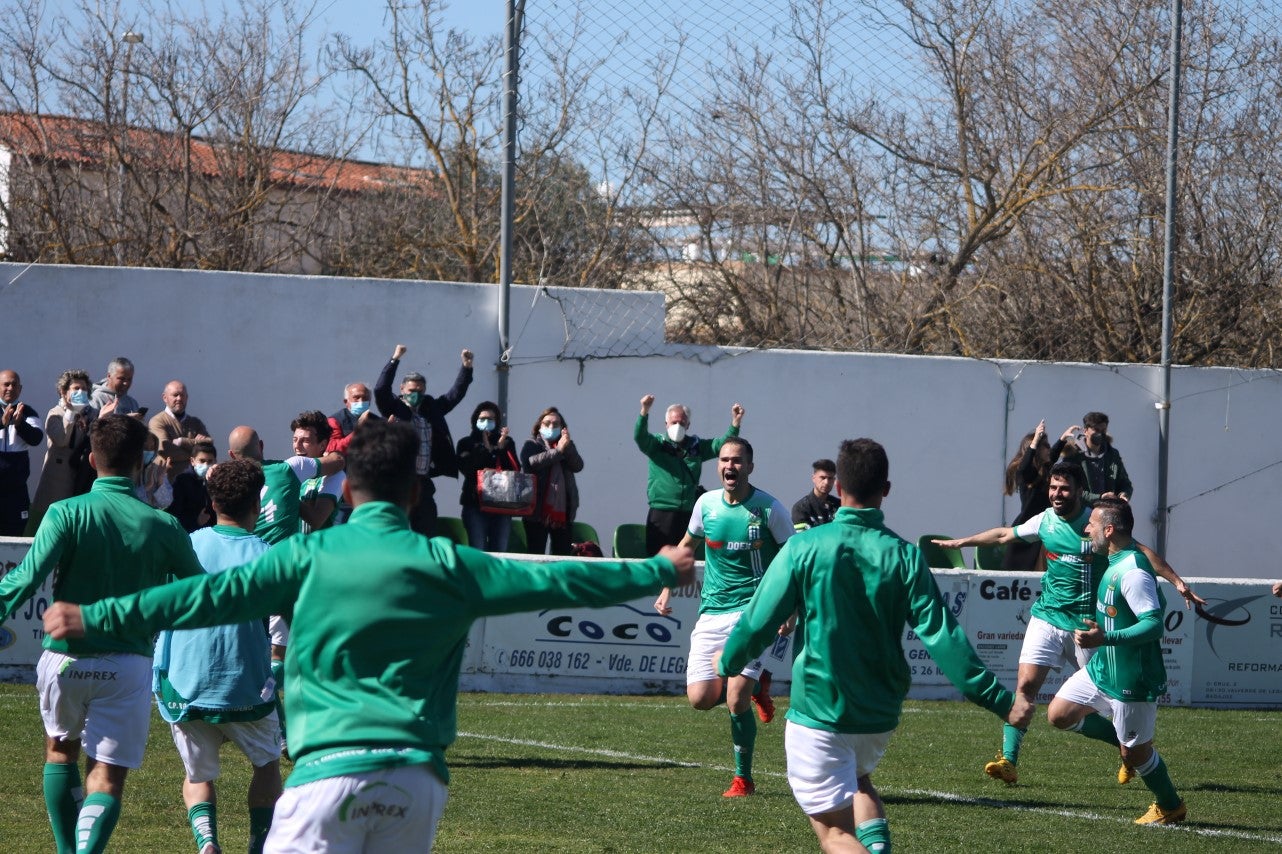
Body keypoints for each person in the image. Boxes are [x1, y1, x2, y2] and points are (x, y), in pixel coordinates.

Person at [43, 419, 696, 852]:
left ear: (345, 488)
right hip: (417, 785)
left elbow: (205, 596)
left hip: (328, 774)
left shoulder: (309, 554)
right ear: (415, 492)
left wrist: (97, 617)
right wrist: (655, 567)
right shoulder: (450, 564)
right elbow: (560, 584)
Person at [719, 438, 1034, 852]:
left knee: (834, 833)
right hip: (879, 714)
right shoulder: (904, 555)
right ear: (886, 489)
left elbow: (757, 622)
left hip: (821, 710)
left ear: (837, 488)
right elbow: (943, 637)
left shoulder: (804, 547)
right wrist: (998, 699)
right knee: (858, 781)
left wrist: (727, 660)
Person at [0, 414, 206, 854]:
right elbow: (199, 594)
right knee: (107, 776)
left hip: (65, 658)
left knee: (60, 752)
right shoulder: (163, 525)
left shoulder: (66, 512)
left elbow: (26, 578)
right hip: (128, 663)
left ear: (92, 460)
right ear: (142, 464)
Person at [934, 462, 1202, 786]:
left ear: (1077, 490)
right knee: (1025, 686)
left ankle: (1129, 748)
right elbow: (1005, 533)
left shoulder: (1096, 524)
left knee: (1110, 701)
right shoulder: (1045, 520)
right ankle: (1008, 760)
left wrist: (1176, 581)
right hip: (1047, 616)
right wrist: (961, 543)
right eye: (1052, 488)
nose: (1056, 494)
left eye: (1063, 488)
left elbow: (1140, 550)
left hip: (1087, 627)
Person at [154, 459, 282, 854]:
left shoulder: (187, 543)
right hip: (246, 686)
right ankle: (258, 845)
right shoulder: (267, 554)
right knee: (267, 766)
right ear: (257, 505)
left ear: (211, 501)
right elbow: (283, 621)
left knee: (198, 774)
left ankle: (207, 841)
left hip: (185, 682)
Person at [654, 436, 793, 797]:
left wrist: (790, 609)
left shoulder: (769, 509)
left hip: (754, 613)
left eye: (737, 461)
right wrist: (667, 586)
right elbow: (686, 546)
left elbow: (795, 560)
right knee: (700, 698)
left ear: (750, 466)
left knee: (734, 699)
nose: (730, 466)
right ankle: (756, 685)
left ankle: (742, 779)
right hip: (712, 612)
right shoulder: (705, 505)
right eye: (724, 460)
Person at [1047, 498, 1186, 825]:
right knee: (1059, 714)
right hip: (1103, 669)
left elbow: (1153, 624)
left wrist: (1104, 638)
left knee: (1134, 755)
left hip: (1131, 678)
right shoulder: (1115, 560)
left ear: (1108, 530)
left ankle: (1170, 806)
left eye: (1091, 524)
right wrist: (1099, 630)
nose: (1086, 529)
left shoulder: (1134, 571)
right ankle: (1121, 736)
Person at [373, 344, 473, 537]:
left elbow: (455, 395)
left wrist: (467, 368)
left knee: (426, 530)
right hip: (398, 481)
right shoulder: (393, 407)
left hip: (422, 481)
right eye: (411, 389)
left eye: (420, 390)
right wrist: (395, 358)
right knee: (395, 530)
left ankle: (423, 565)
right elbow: (380, 389)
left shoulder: (430, 408)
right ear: (402, 389)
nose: (415, 394)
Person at [634, 394, 744, 555]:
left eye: (681, 422)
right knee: (658, 562)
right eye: (674, 422)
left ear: (688, 424)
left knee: (684, 562)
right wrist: (645, 410)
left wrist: (735, 422)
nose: (677, 425)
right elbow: (640, 437)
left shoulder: (695, 446)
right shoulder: (657, 445)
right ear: (666, 424)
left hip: (688, 513)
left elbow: (721, 445)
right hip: (661, 512)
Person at [27, 369, 103, 532]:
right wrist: (71, 411)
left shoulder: (92, 414)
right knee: (49, 523)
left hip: (82, 474)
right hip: (57, 478)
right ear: (63, 392)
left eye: (84, 389)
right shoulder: (55, 414)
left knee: (75, 521)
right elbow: (61, 440)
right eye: (76, 388)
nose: (81, 392)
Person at [455, 400, 519, 552]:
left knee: (500, 551)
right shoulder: (466, 443)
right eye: (482, 419)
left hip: (502, 506)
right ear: (475, 420)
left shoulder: (507, 442)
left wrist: (501, 449)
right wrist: (486, 449)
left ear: (497, 422)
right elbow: (468, 469)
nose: (486, 422)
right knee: (478, 550)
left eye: (491, 419)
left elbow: (515, 469)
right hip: (475, 504)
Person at [520, 406, 584, 556]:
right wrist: (558, 451)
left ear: (562, 428)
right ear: (539, 426)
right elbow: (532, 463)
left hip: (563, 513)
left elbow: (578, 466)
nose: (551, 427)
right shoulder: (531, 444)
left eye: (556, 424)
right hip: (536, 513)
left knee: (562, 557)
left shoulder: (567, 445)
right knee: (536, 555)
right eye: (547, 423)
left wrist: (566, 447)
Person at [1049, 411, 1132, 503]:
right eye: (1096, 430)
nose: (1100, 434)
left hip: (1108, 509)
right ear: (1085, 431)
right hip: (1083, 512)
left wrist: (1124, 495)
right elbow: (1070, 489)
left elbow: (1125, 483)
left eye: (1103, 430)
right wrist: (1099, 497)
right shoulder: (1073, 456)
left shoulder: (1112, 455)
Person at [1002, 420, 1053, 570]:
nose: (1049, 449)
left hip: (1044, 526)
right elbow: (1024, 467)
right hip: (1028, 525)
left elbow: (1054, 454)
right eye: (1046, 446)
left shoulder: (1045, 471)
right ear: (1036, 449)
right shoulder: (1027, 474)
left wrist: (1063, 440)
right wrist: (1036, 440)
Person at [0, 369, 43, 536]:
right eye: (6, 384)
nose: (10, 388)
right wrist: (2, 423)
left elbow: (36, 438)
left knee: (14, 538)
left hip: (15, 494)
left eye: (14, 384)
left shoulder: (28, 412)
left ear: (20, 388)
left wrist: (20, 425)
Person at [293, 412, 346, 532]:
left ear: (322, 445)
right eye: (295, 440)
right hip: (290, 549)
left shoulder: (335, 475)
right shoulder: (291, 469)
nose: (297, 445)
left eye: (305, 441)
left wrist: (284, 491)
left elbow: (316, 520)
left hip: (319, 549)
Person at [149, 380, 213, 461]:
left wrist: (181, 442)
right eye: (175, 395)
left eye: (182, 395)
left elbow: (209, 445)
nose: (179, 398)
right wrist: (196, 448)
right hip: (168, 473)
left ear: (187, 397)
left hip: (193, 473)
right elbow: (165, 448)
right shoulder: (157, 421)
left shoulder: (195, 422)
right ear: (165, 398)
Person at [168, 440, 216, 533]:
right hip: (188, 534)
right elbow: (174, 515)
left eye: (210, 461)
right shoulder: (182, 481)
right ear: (192, 461)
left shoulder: (215, 481)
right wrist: (196, 521)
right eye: (202, 461)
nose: (206, 465)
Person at [326, 381, 376, 455]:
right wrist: (358, 429)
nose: (361, 401)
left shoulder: (377, 421)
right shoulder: (335, 421)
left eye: (365, 398)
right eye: (356, 398)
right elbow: (333, 448)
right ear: (346, 402)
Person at [791, 458, 839, 531]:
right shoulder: (801, 508)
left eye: (830, 478)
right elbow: (803, 539)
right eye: (822, 478)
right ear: (813, 478)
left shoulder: (840, 506)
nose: (826, 482)